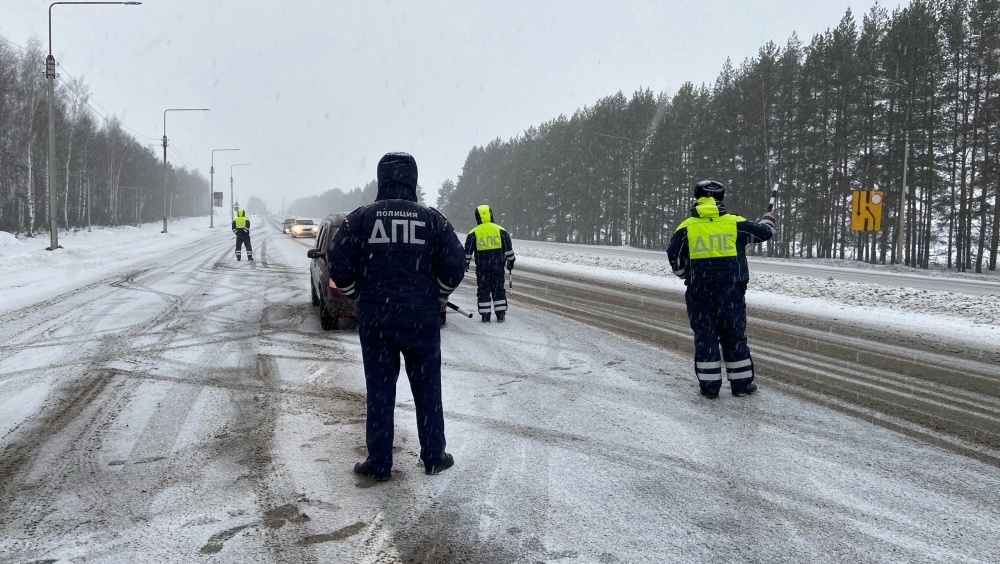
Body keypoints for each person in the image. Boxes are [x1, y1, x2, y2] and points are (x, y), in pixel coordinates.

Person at [327, 152, 466, 482]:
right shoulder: (432, 219)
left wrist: (356, 294)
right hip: (421, 320)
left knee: (380, 391)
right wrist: (438, 295)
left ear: (381, 180)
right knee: (427, 390)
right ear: (413, 181)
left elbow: (337, 259)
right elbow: (456, 263)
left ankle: (379, 462)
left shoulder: (361, 217)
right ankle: (434, 456)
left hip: (376, 320)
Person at [666, 180, 776, 399]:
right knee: (734, 336)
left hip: (699, 292)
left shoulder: (687, 226)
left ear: (697, 198)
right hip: (731, 291)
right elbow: (764, 233)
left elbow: (674, 258)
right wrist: (768, 219)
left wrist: (687, 275)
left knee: (705, 336)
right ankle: (741, 386)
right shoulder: (735, 223)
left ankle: (709, 389)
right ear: (721, 198)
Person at [464, 205, 515, 322]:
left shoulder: (473, 232)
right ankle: (500, 314)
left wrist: (465, 263)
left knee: (483, 289)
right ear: (491, 214)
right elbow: (508, 248)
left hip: (482, 267)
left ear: (477, 217)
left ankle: (485, 314)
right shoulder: (500, 230)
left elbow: (467, 252)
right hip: (498, 266)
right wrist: (511, 261)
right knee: (498, 289)